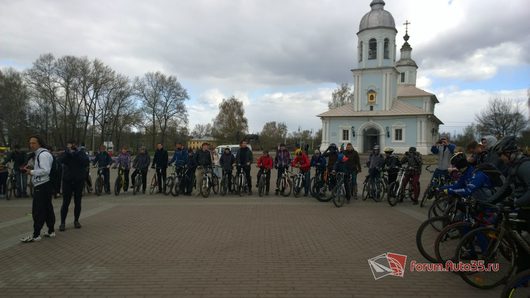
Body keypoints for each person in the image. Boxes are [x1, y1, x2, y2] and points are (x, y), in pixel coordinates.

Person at [487, 136, 530, 272]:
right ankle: (521, 276)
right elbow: (505, 189)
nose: (501, 158)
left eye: (502, 155)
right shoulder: (513, 166)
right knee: (521, 244)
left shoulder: (524, 166)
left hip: (526, 208)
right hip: (523, 208)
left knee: (524, 242)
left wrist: (516, 202)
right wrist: (488, 202)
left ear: (511, 153)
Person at [20, 135, 56, 242]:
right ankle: (51, 231)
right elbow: (43, 169)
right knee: (48, 209)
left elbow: (45, 170)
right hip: (45, 185)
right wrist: (32, 168)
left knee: (37, 210)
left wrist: (30, 172)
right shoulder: (42, 154)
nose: (31, 145)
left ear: (39, 143)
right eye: (30, 143)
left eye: (33, 143)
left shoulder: (43, 155)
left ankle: (36, 235)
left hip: (42, 185)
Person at [59, 140, 89, 231]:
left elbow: (85, 162)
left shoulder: (81, 153)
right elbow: (61, 160)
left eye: (72, 145)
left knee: (78, 202)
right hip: (67, 181)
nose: (71, 147)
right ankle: (62, 223)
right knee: (65, 203)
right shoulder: (66, 153)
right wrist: (68, 153)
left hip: (78, 180)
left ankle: (76, 221)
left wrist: (77, 153)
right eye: (69, 145)